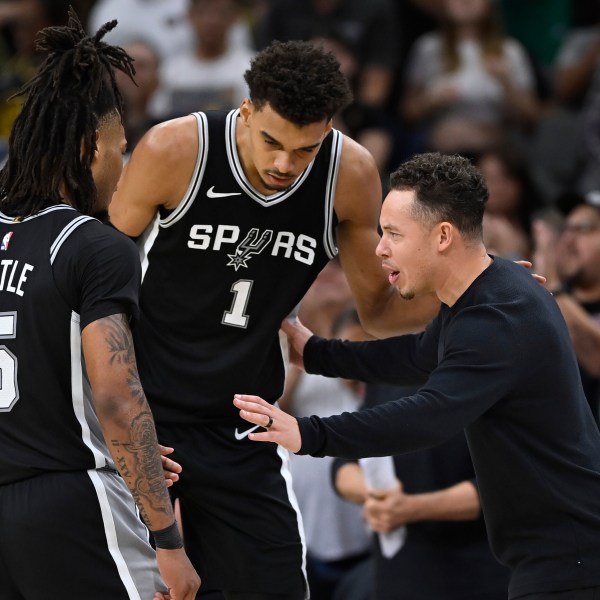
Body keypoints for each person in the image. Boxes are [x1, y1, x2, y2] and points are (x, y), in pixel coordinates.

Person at [108, 38, 443, 599]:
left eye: (305, 149)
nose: (285, 164)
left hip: (244, 425)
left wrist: (480, 287)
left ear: (330, 130)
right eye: (271, 141)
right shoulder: (176, 149)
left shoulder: (349, 173)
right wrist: (112, 419)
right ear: (246, 111)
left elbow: (382, 316)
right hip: (146, 417)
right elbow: (94, 287)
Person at [234, 152, 600, 600]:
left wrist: (307, 434)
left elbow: (429, 416)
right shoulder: (485, 292)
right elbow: (416, 355)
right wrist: (317, 353)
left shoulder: (497, 316)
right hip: (557, 554)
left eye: (393, 233)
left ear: (443, 235)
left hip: (573, 560)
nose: (379, 248)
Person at [0, 9, 200, 600]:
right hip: (72, 500)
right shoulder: (96, 245)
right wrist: (167, 538)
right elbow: (117, 395)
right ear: (90, 148)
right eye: (120, 150)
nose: (123, 166)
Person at [532, 190, 600, 427]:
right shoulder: (541, 298)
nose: (568, 239)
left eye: (584, 228)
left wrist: (554, 288)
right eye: (566, 229)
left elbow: (596, 360)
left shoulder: (553, 293)